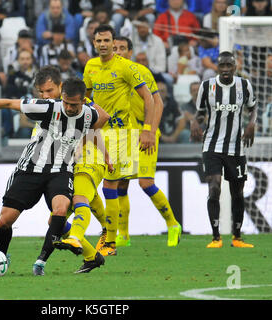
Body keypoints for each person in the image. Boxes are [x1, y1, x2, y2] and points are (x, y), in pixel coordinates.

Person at [0, 77, 110, 274]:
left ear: (83, 101)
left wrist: (97, 149)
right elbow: (9, 103)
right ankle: (0, 256)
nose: (69, 108)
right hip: (32, 168)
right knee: (5, 220)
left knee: (60, 209)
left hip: (61, 170)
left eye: (74, 105)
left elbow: (104, 117)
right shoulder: (48, 107)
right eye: (66, 102)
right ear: (62, 97)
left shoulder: (89, 114)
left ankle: (41, 263)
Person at [29, 66, 111, 275]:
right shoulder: (51, 110)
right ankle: (92, 256)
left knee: (79, 198)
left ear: (61, 87)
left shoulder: (75, 100)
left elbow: (101, 117)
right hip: (66, 164)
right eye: (42, 92)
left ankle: (95, 233)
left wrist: (81, 144)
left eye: (49, 91)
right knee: (55, 221)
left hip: (89, 158)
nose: (45, 96)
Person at [83, 24, 156, 256]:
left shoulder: (126, 67)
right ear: (93, 43)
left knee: (110, 186)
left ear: (114, 43)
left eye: (107, 41)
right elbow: (85, 96)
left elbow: (149, 98)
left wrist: (148, 130)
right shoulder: (90, 66)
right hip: (96, 133)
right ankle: (106, 234)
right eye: (99, 41)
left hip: (120, 134)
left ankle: (110, 242)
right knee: (91, 183)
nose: (103, 45)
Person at [111, 36, 182, 248]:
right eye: (115, 48)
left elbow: (157, 102)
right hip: (123, 136)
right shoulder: (109, 74)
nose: (118, 51)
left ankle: (172, 224)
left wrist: (149, 130)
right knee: (120, 183)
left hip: (145, 133)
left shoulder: (140, 72)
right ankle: (123, 235)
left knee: (145, 182)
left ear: (130, 52)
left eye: (122, 48)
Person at [190, 51, 257, 248]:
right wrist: (195, 121)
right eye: (222, 66)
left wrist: (252, 124)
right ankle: (216, 237)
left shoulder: (244, 85)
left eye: (229, 66)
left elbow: (253, 108)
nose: (226, 70)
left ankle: (236, 237)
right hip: (211, 145)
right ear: (217, 67)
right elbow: (201, 113)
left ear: (235, 67)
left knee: (237, 192)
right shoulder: (207, 86)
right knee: (214, 187)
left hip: (236, 148)